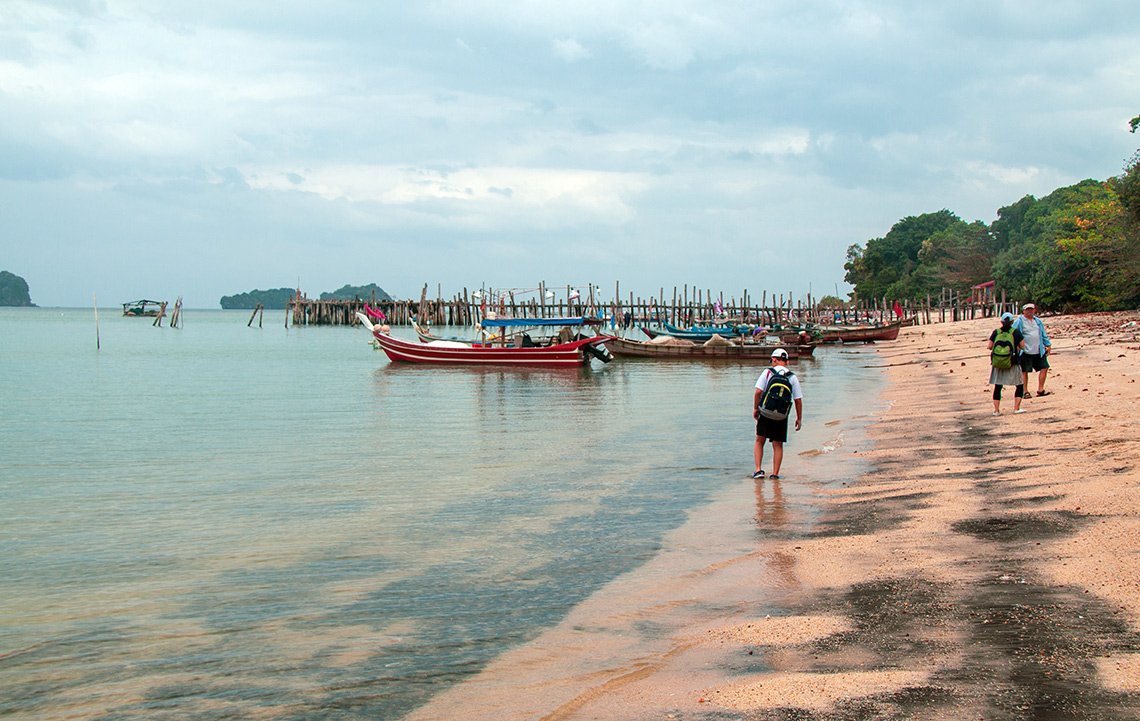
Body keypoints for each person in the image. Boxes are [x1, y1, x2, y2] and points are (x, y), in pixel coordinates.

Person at [752, 348, 803, 480]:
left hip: (766, 411)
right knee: (778, 444)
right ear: (787, 361)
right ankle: (775, 474)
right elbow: (798, 400)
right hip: (781, 414)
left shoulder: (768, 372)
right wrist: (799, 418)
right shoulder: (792, 377)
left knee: (759, 440)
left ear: (774, 359)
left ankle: (758, 470)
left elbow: (758, 392)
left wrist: (756, 409)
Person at [988, 312, 1026, 416]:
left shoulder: (996, 332)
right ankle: (1016, 408)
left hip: (998, 362)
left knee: (998, 386)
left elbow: (990, 346)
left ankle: (996, 410)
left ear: (1001, 322)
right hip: (1013, 361)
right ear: (1012, 322)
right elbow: (1023, 346)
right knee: (1019, 385)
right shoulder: (1016, 332)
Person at [1012, 303, 1052, 396]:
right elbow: (1013, 333)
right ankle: (1025, 391)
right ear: (1024, 311)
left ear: (1034, 310)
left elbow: (1043, 334)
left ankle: (1041, 389)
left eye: (1031, 309)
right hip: (1025, 351)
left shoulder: (1037, 321)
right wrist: (1016, 345)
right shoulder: (1019, 321)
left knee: (1044, 368)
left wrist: (1048, 345)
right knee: (1025, 371)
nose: (1029, 311)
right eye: (1027, 309)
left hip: (1038, 350)